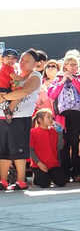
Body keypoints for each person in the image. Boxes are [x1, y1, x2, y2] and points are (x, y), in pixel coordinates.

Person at [0, 49, 42, 190]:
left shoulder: (35, 76)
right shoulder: (15, 73)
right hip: (3, 117)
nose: (23, 63)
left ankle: (21, 181)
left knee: (18, 151)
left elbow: (24, 91)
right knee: (3, 151)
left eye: (27, 61)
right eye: (22, 60)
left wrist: (4, 97)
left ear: (35, 63)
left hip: (20, 118)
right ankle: (3, 181)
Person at [47, 52, 80, 182]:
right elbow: (52, 95)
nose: (72, 67)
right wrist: (63, 81)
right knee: (63, 145)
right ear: (65, 66)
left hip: (77, 115)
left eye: (75, 65)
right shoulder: (58, 78)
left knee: (77, 143)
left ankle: (78, 172)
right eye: (70, 64)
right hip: (62, 116)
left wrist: (74, 79)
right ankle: (65, 173)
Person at [30, 108, 67, 188]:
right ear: (40, 120)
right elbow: (31, 150)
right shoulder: (33, 132)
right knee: (44, 184)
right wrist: (39, 163)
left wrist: (60, 133)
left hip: (53, 164)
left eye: (52, 117)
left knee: (62, 182)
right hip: (39, 165)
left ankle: (49, 176)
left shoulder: (54, 131)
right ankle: (37, 177)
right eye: (48, 117)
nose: (51, 119)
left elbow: (60, 147)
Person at [0, 46, 19, 121]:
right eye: (8, 57)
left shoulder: (8, 68)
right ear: (2, 59)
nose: (10, 60)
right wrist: (25, 78)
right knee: (18, 97)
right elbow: (15, 78)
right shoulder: (8, 67)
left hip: (5, 88)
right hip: (3, 89)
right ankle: (8, 112)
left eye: (13, 58)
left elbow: (12, 81)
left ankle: (8, 112)